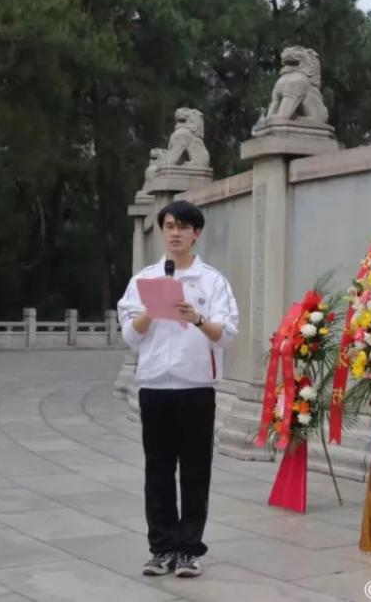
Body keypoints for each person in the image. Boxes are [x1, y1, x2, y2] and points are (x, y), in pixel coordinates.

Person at [117, 200, 239, 578]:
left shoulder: (212, 281)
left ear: (196, 233)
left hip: (195, 388)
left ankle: (188, 549)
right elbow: (129, 335)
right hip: (155, 386)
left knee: (195, 471)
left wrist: (197, 318)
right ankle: (162, 548)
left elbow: (227, 335)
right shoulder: (144, 280)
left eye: (183, 227)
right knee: (158, 471)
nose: (175, 233)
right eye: (169, 226)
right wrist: (151, 310)